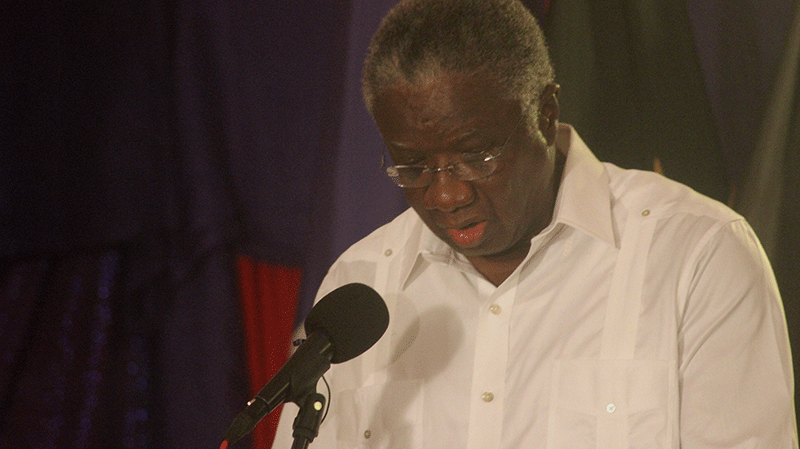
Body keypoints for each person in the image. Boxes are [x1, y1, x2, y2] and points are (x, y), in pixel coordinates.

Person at [274, 0, 797, 447]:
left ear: (544, 114)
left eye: (476, 156)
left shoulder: (695, 258)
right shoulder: (361, 283)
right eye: (412, 167)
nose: (446, 194)